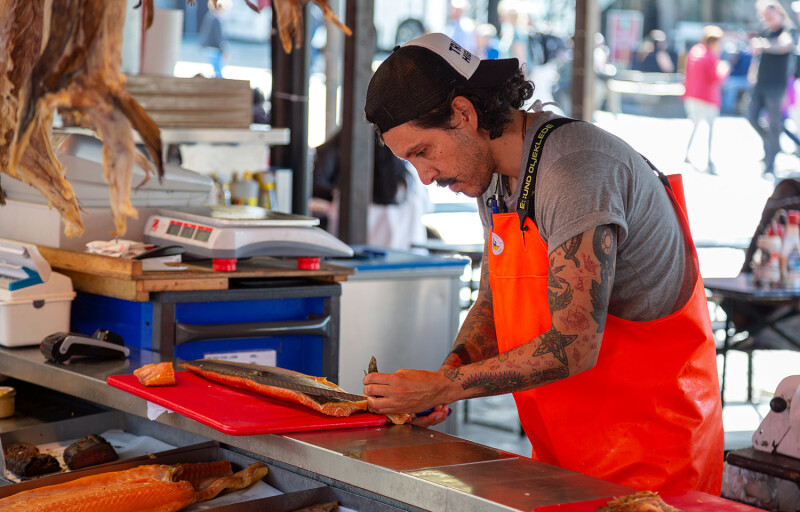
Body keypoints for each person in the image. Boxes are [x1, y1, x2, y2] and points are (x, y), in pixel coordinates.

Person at [362, 33, 723, 494]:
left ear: (463, 114)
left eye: (422, 152)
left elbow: (573, 343)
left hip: (653, 468)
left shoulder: (575, 169)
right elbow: (493, 306)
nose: (425, 177)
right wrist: (441, 377)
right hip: (562, 460)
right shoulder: (490, 178)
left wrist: (448, 386)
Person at [310, 130, 431, 251]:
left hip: (369, 266)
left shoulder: (353, 189)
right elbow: (427, 209)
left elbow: (336, 240)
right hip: (414, 261)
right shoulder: (413, 181)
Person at [747, 0, 796, 175]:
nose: (767, 19)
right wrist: (752, 71)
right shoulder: (765, 31)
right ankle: (771, 145)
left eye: (769, 15)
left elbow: (785, 45)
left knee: (774, 123)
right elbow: (757, 56)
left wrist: (764, 46)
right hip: (760, 83)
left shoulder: (787, 30)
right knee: (751, 116)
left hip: (777, 85)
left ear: (778, 12)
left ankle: (770, 162)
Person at [683, 25, 730, 174]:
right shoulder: (710, 57)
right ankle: (708, 160)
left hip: (692, 96)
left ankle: (687, 154)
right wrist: (724, 69)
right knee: (709, 130)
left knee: (694, 126)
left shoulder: (694, 51)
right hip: (707, 98)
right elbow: (716, 78)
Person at [198, 0, 229, 78]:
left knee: (215, 71)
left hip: (210, 48)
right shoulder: (215, 20)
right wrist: (223, 50)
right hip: (215, 49)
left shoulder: (209, 17)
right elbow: (217, 37)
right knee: (217, 73)